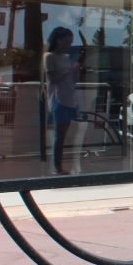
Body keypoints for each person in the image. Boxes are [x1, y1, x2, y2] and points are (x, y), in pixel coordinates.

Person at [44, 26, 80, 175]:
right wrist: (70, 70)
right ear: (58, 40)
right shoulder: (49, 56)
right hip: (58, 99)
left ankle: (59, 166)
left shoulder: (66, 57)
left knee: (64, 134)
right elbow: (53, 78)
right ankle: (57, 167)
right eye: (66, 42)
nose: (68, 46)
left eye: (70, 43)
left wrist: (76, 71)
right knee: (59, 134)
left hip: (69, 97)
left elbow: (72, 80)